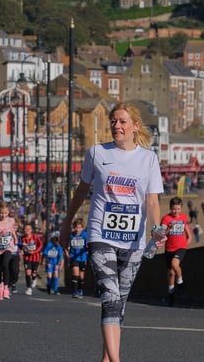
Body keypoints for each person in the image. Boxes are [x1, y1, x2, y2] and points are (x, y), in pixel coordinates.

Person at [61, 102, 164, 362]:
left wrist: (156, 229)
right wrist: (66, 223)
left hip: (133, 241)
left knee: (120, 303)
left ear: (134, 126)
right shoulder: (97, 153)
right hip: (100, 234)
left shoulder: (148, 159)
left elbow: (152, 201)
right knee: (110, 295)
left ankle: (107, 359)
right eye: (113, 121)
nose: (116, 126)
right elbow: (82, 192)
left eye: (122, 122)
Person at [161, 197, 192, 299]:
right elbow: (161, 234)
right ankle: (171, 293)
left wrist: (185, 245)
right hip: (169, 249)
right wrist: (169, 228)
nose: (176, 211)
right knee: (171, 273)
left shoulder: (183, 217)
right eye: (174, 209)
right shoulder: (166, 219)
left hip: (180, 248)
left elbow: (188, 234)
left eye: (178, 209)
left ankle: (180, 282)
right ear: (170, 208)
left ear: (181, 208)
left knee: (175, 264)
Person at [0, 202, 18, 301]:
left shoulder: (11, 220)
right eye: (1, 213)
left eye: (5, 213)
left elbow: (12, 229)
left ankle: (6, 287)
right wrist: (0, 234)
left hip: (8, 247)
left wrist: (15, 238)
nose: (3, 215)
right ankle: (0, 285)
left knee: (6, 264)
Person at [66, 218, 88, 298]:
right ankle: (74, 291)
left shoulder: (85, 235)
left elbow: (88, 244)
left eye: (79, 228)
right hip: (74, 257)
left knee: (81, 276)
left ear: (82, 228)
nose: (77, 229)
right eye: (76, 227)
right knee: (75, 273)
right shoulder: (71, 235)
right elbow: (65, 244)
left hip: (82, 257)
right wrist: (67, 253)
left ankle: (80, 290)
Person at [20, 223, 43, 295]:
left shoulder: (35, 237)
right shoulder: (22, 238)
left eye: (29, 229)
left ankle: (34, 278)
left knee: (33, 273)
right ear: (24, 230)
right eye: (26, 229)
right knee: (28, 272)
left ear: (31, 230)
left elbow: (41, 245)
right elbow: (19, 245)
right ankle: (29, 288)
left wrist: (35, 251)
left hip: (35, 258)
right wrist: (21, 249)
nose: (27, 230)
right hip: (27, 257)